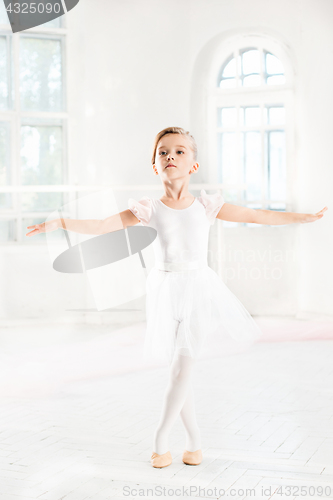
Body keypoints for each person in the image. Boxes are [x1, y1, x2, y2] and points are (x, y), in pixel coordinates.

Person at [26, 126, 328, 469]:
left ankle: (160, 439)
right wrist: (60, 221)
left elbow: (258, 216)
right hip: (165, 290)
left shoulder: (207, 207)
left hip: (199, 288)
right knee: (178, 370)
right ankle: (195, 443)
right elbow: (102, 225)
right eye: (163, 152)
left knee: (182, 367)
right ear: (156, 166)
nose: (171, 156)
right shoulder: (149, 209)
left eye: (180, 151)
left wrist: (305, 217)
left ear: (193, 165)